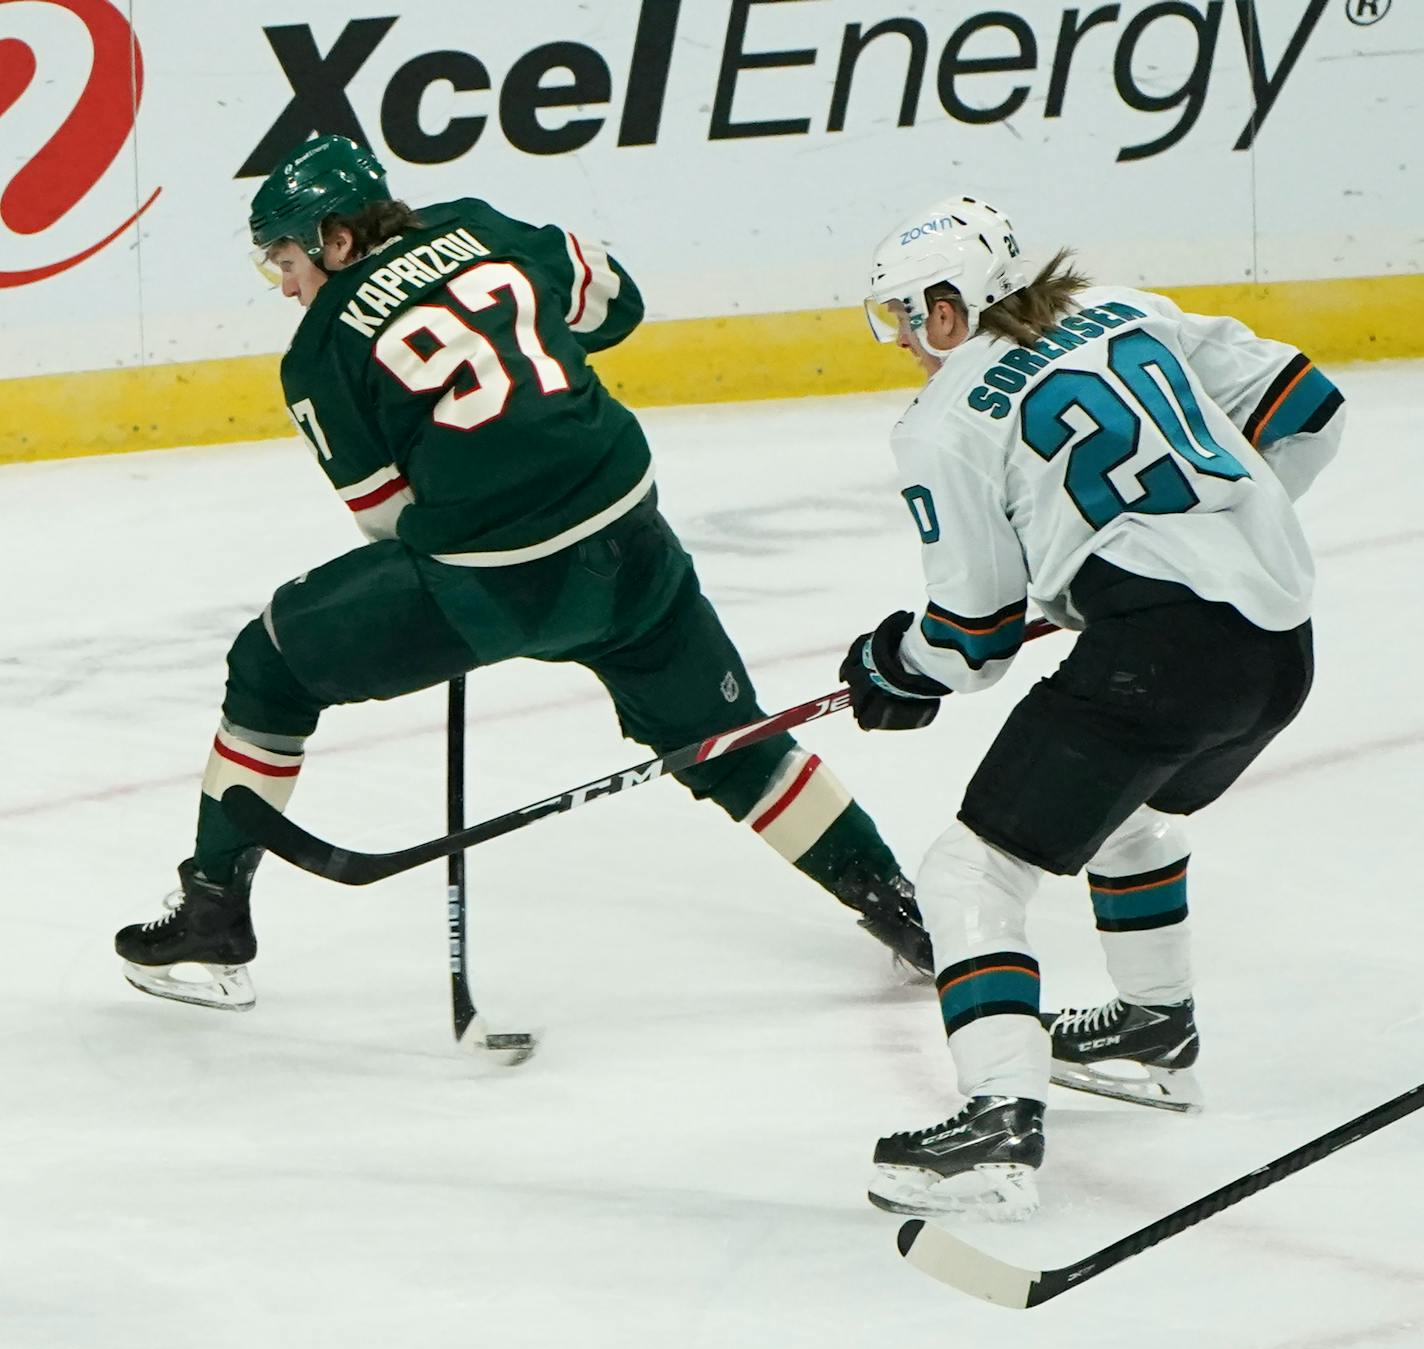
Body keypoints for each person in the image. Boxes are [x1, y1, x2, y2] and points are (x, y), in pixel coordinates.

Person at [113, 135, 931, 1012]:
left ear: (337, 240)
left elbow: (389, 527)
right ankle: (906, 914)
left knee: (269, 663)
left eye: (287, 259)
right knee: (729, 741)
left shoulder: (318, 352)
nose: (285, 284)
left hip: (494, 589)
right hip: (631, 542)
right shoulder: (479, 225)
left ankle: (213, 907)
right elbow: (618, 306)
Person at [838, 195, 1344, 1220]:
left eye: (902, 317)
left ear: (950, 309)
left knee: (967, 872)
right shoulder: (1123, 312)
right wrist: (1192, 546)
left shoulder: (942, 424)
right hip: (1277, 648)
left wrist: (894, 664)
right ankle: (1150, 1035)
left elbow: (970, 641)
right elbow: (1306, 406)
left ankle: (993, 1126)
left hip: (1158, 659)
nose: (898, 341)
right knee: (1135, 815)